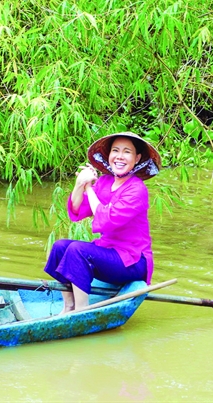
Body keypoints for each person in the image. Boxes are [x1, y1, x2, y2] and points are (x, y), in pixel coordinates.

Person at [44, 132, 161, 313]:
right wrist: (79, 184)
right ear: (109, 156)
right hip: (108, 252)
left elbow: (106, 220)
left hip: (132, 260)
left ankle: (81, 311)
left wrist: (89, 188)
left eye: (127, 152)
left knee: (78, 250)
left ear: (137, 158)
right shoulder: (105, 182)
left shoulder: (137, 189)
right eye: (115, 150)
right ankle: (68, 306)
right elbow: (77, 211)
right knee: (60, 247)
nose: (120, 156)